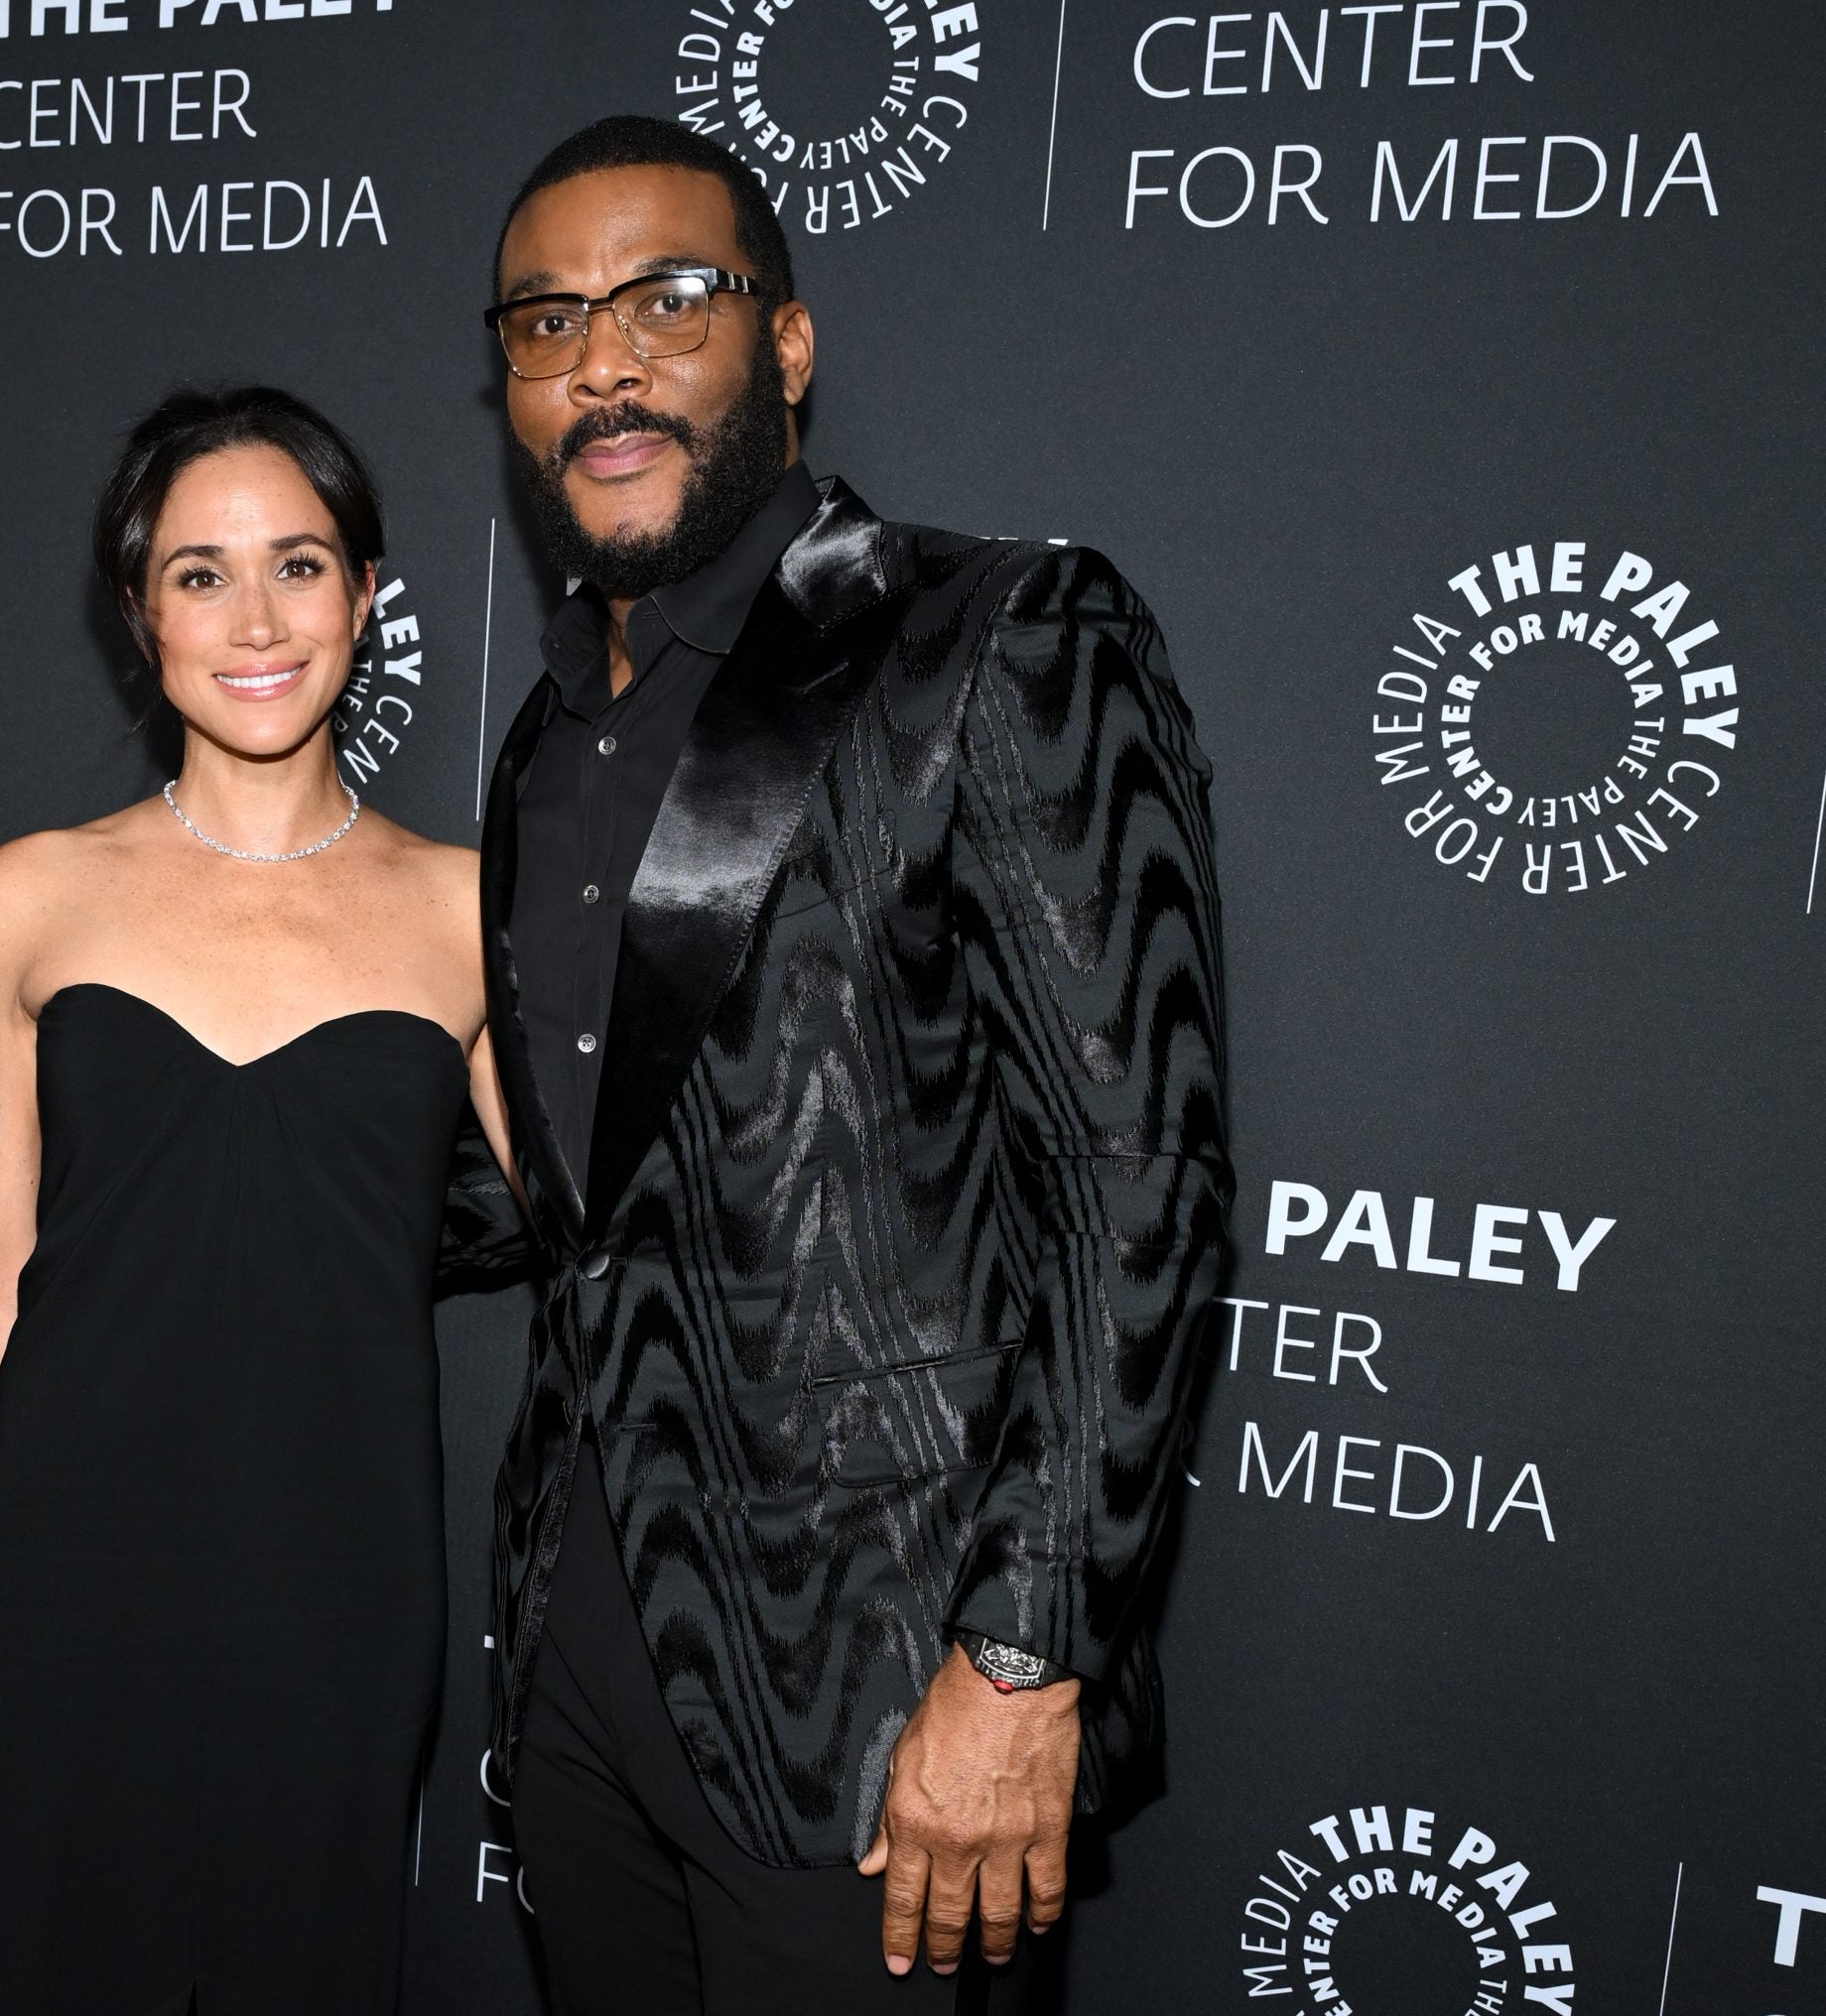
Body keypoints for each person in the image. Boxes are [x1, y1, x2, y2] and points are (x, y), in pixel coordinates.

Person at [476, 117, 1234, 2013]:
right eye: (550, 321)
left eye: (670, 297)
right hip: (581, 1651)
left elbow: (1144, 1181)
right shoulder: (546, 732)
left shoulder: (997, 634)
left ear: (788, 346)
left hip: (886, 1696)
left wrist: (1022, 1655)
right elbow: (584, 1172)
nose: (608, 360)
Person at [0, 385, 523, 2012]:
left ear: (368, 594)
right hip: (66, 1577)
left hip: (340, 1586)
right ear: (137, 612)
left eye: (299, 565)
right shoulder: (27, 896)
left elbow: (603, 1261)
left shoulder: (470, 914)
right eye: (199, 572)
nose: (255, 618)